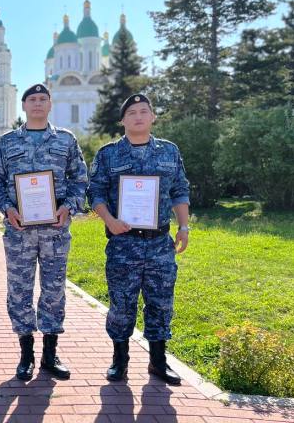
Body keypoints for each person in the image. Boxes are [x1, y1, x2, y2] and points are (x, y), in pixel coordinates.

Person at [87, 93, 190, 385]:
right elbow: (95, 193)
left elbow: (180, 190)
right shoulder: (108, 155)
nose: (138, 116)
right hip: (123, 243)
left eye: (144, 111)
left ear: (153, 117)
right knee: (121, 304)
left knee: (161, 302)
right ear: (122, 120)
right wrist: (110, 220)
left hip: (160, 243)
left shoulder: (169, 152)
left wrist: (184, 227)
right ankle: (120, 360)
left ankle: (158, 361)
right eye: (131, 112)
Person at [0, 83, 88, 381]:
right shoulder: (7, 142)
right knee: (19, 290)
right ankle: (26, 354)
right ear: (23, 105)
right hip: (19, 230)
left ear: (50, 104)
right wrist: (8, 208)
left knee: (54, 289)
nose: (37, 104)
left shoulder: (66, 140)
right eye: (32, 99)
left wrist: (68, 206)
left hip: (55, 229)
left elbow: (80, 179)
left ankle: (50, 353)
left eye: (43, 99)